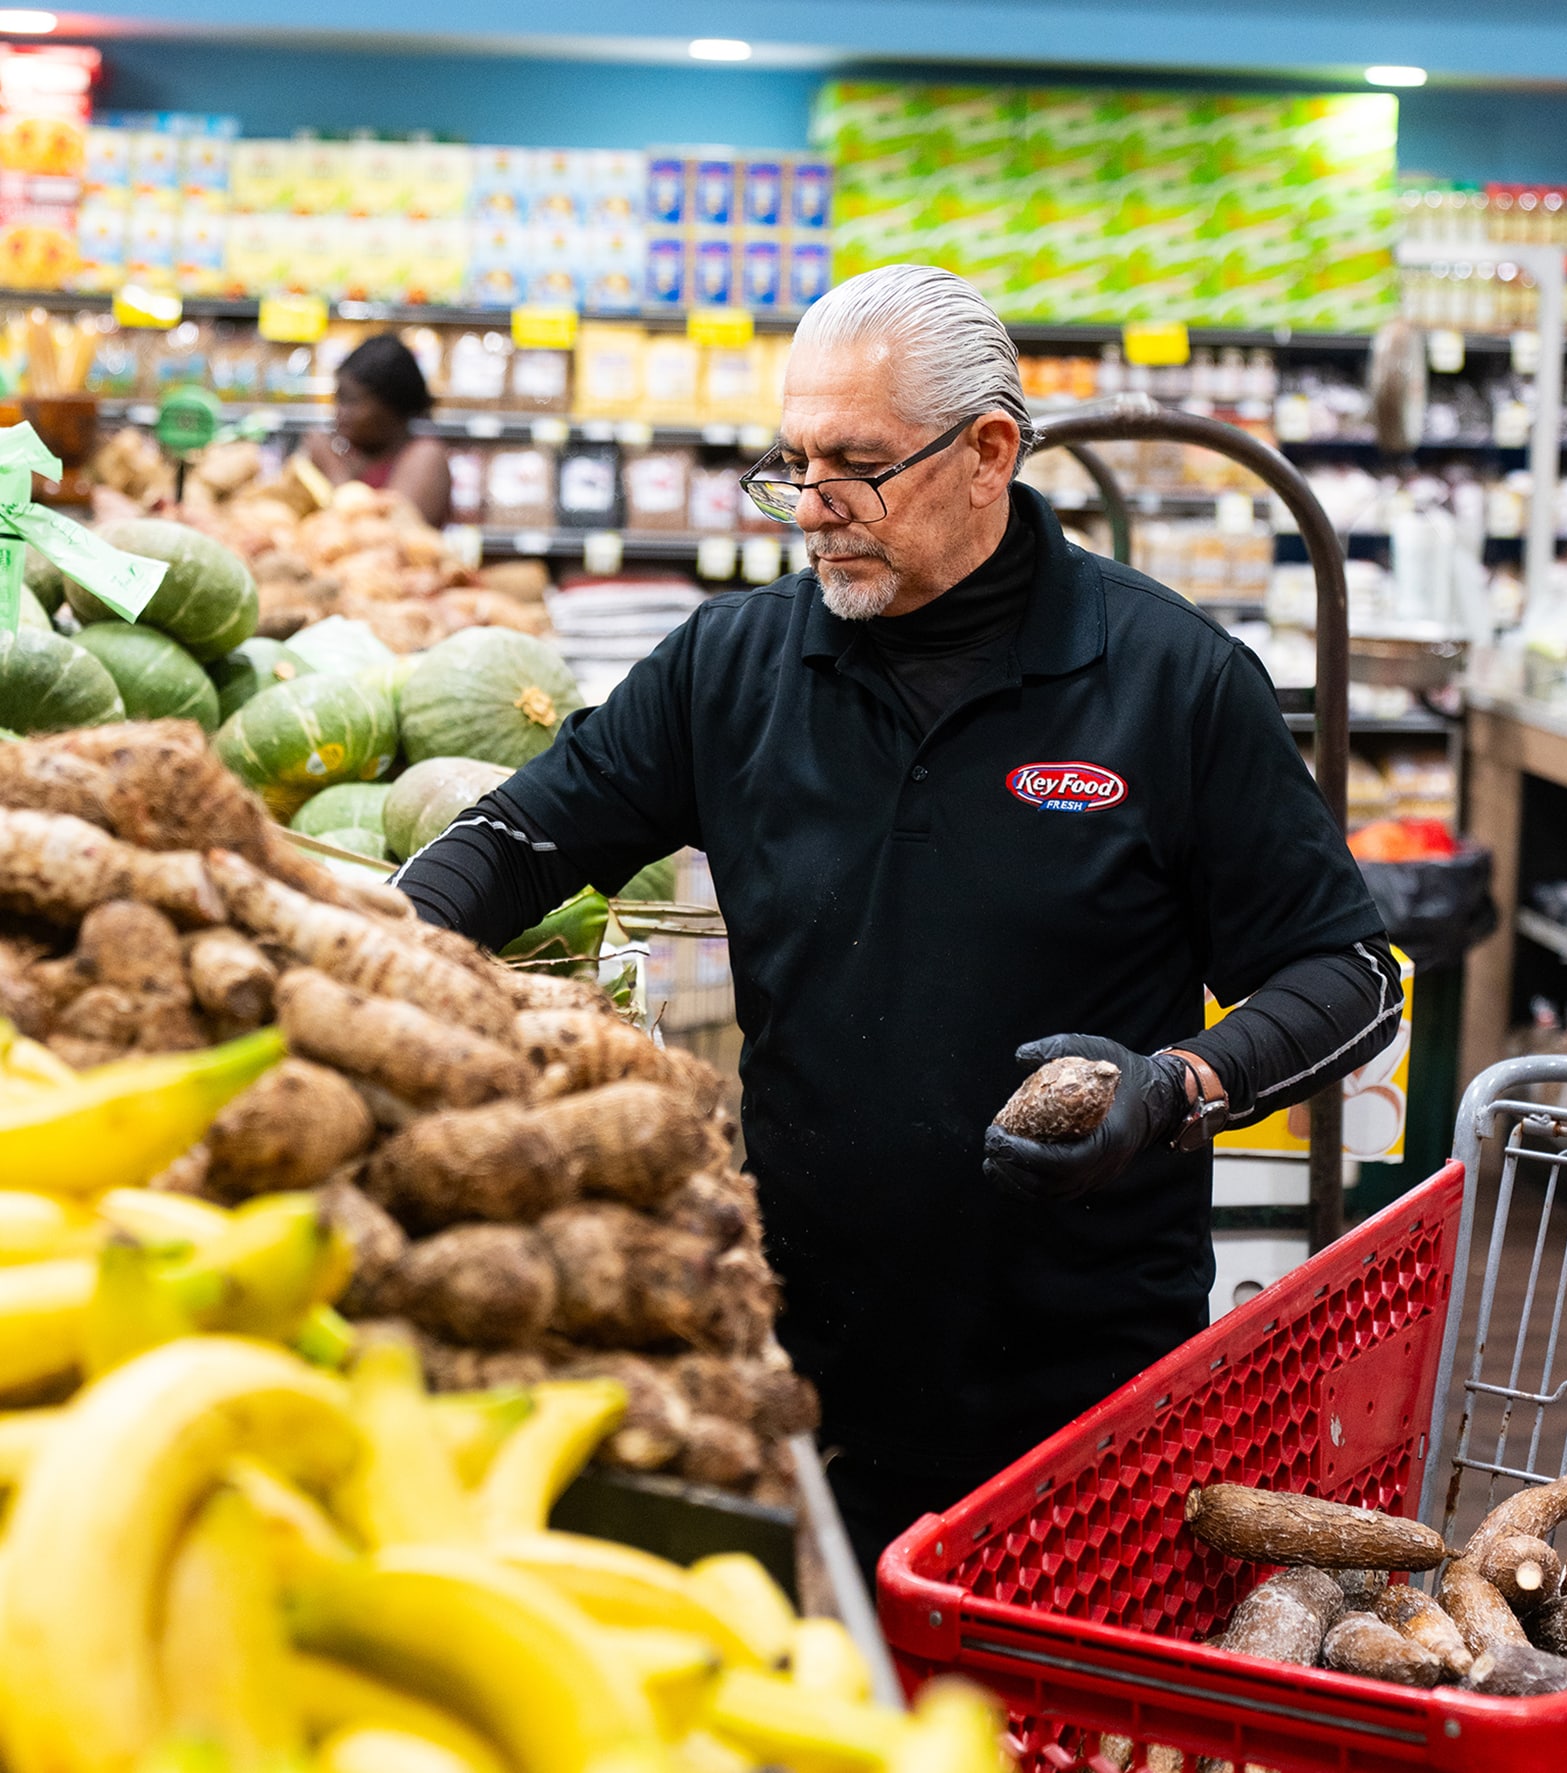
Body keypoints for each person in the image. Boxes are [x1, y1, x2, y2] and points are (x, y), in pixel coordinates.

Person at [391, 264, 1403, 1581]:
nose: (814, 507)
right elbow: (517, 842)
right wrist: (369, 945)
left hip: (1084, 1393)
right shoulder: (731, 667)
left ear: (989, 453)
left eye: (858, 467)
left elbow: (1347, 972)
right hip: (803, 1368)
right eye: (795, 464)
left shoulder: (1171, 680)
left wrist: (1176, 1086)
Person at [304, 333, 453, 527]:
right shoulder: (352, 454)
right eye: (338, 399)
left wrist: (332, 470)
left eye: (352, 401)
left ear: (391, 405)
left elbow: (391, 534)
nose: (340, 412)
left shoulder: (426, 456)